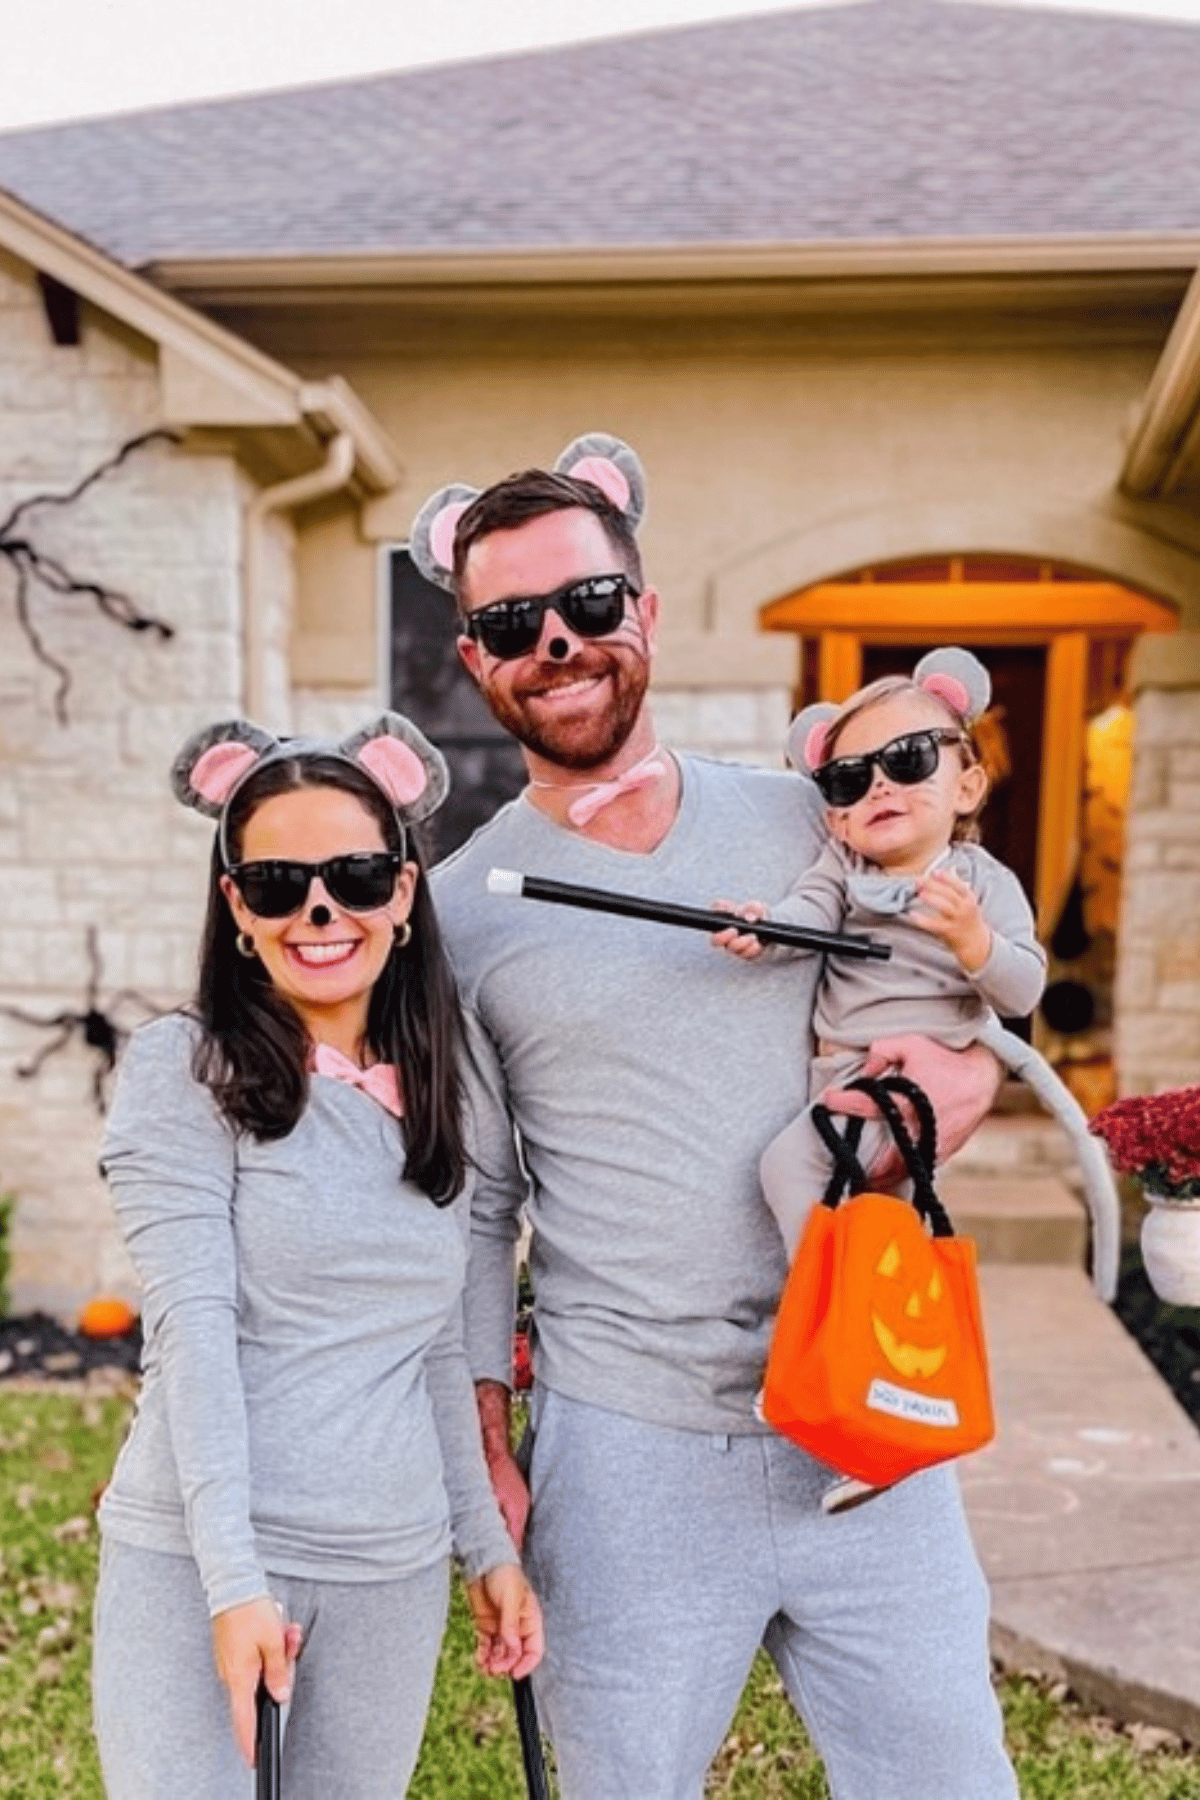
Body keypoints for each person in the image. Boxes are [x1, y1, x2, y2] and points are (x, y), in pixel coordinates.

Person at [412, 434, 1020, 1800]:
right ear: (473, 658)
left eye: (587, 605)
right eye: (513, 623)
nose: (557, 642)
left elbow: (960, 996)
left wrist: (971, 1079)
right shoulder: (457, 914)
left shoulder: (820, 822)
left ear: (648, 612)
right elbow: (479, 1202)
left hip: (871, 1418)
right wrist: (485, 1454)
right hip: (629, 1453)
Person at [92, 712, 542, 1800]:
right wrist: (235, 1587)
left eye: (352, 873)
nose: (321, 910)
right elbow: (190, 1338)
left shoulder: (443, 1081)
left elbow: (434, 1344)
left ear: (405, 888)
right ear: (235, 906)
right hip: (202, 1561)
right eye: (279, 882)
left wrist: (487, 1551)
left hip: (388, 1568)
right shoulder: (183, 1071)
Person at [710, 650, 1046, 1508]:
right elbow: (805, 922)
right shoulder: (845, 877)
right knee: (878, 1248)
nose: (879, 791)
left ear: (967, 785)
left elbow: (1023, 989)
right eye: (850, 781)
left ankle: (815, 1343)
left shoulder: (979, 884)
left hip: (904, 1082)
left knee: (790, 1169)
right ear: (835, 818)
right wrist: (764, 928)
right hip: (844, 1079)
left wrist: (974, 943)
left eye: (909, 762)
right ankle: (877, 1416)